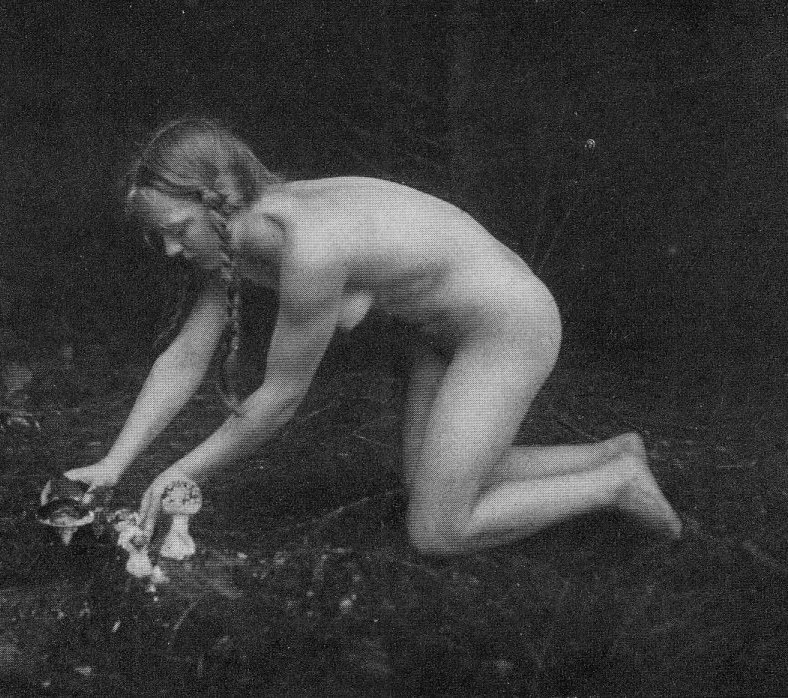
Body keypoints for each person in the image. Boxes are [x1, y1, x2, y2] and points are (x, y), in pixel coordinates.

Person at [65, 118, 682, 555]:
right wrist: (115, 463)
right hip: (437, 333)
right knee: (430, 487)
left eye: (177, 230)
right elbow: (184, 358)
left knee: (437, 531)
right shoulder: (238, 234)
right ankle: (610, 454)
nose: (170, 250)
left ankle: (615, 485)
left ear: (219, 201)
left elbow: (278, 399)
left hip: (508, 327)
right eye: (160, 237)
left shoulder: (311, 249)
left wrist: (182, 473)